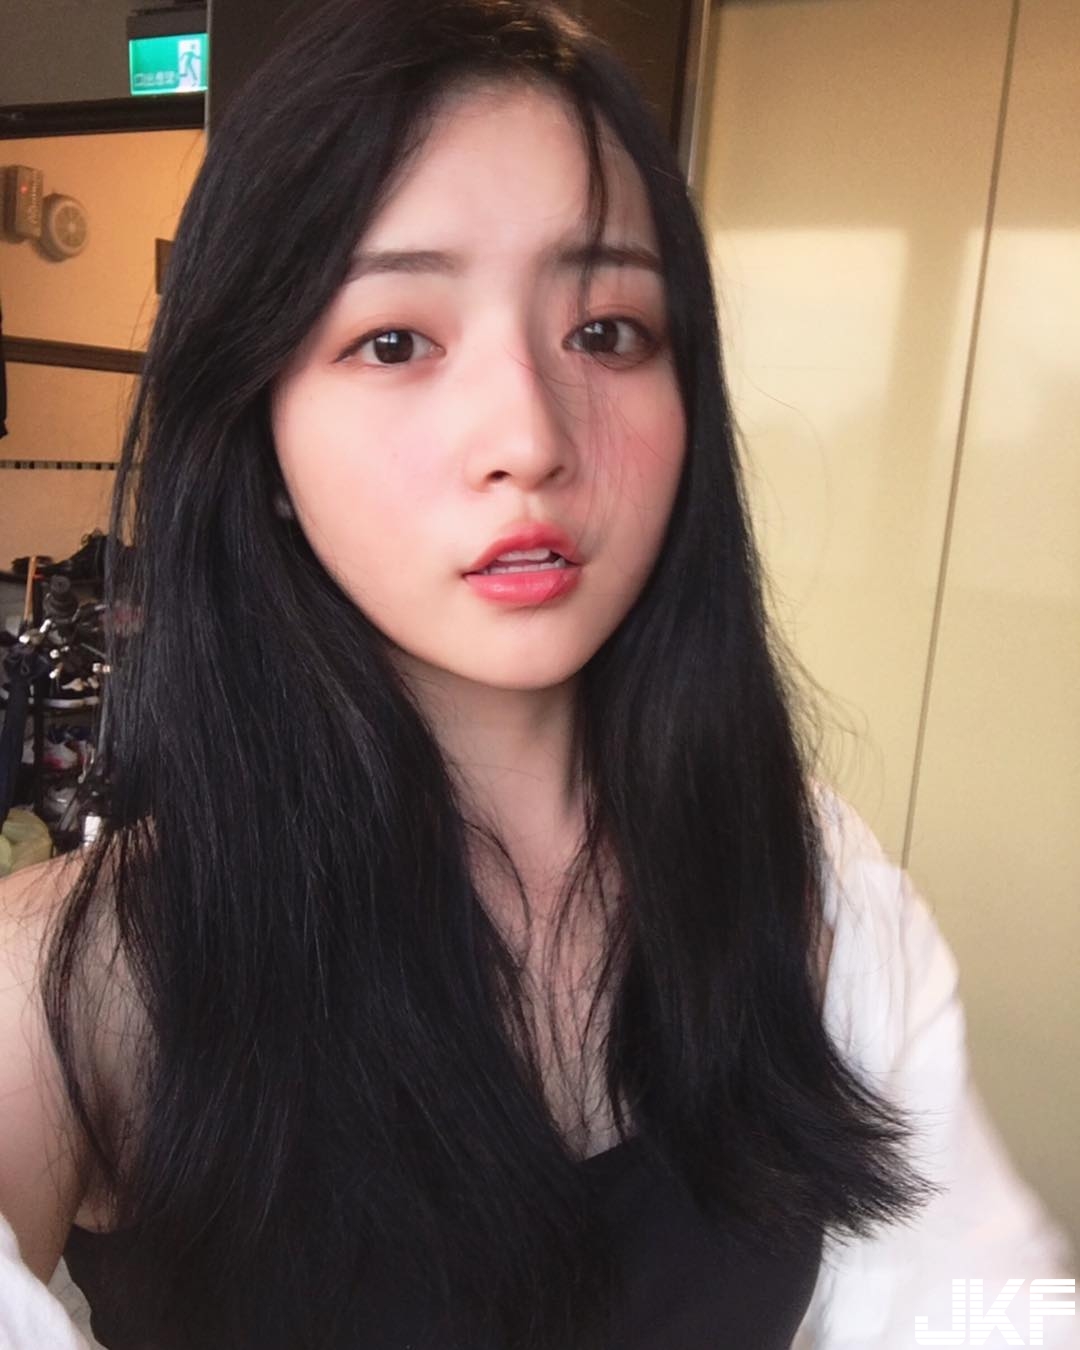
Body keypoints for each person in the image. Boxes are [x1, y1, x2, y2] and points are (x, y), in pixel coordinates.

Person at [0, 1, 1075, 1347]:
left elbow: (991, 1303)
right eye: (395, 340)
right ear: (258, 433)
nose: (529, 435)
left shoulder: (817, 891)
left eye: (607, 331)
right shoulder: (74, 980)